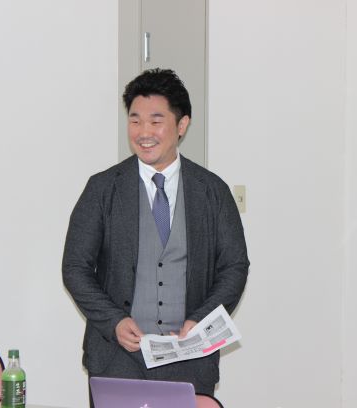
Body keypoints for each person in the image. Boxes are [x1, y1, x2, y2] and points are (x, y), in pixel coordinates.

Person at [62, 68, 249, 405]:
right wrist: (114, 321)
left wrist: (200, 319)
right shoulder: (102, 189)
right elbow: (75, 267)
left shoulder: (212, 191)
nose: (144, 132)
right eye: (135, 120)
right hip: (117, 359)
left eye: (156, 121)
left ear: (182, 125)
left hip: (189, 360)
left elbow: (234, 266)